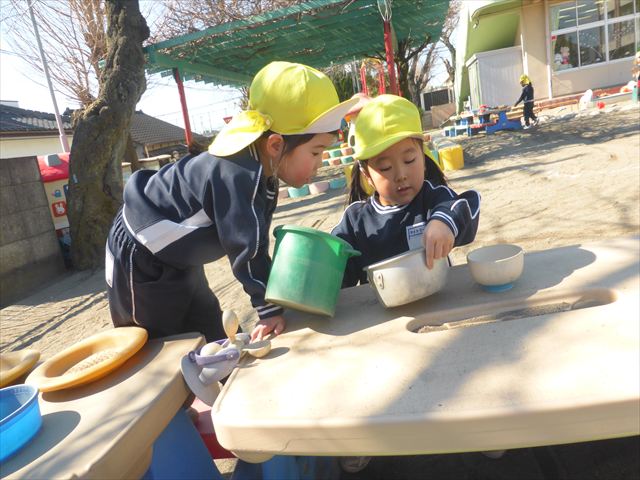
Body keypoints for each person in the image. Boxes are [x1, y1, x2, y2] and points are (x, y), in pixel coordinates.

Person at [105, 61, 359, 343]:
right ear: (276, 145)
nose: (319, 163)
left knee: (211, 332)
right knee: (160, 347)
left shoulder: (264, 170)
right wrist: (268, 309)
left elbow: (257, 242)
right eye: (315, 152)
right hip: (141, 253)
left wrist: (275, 293)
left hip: (180, 258)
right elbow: (245, 249)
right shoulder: (238, 173)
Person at [332, 94, 481, 288]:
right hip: (380, 306)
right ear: (367, 175)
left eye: (409, 160)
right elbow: (337, 270)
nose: (401, 175)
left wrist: (444, 223)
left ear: (423, 158)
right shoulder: (355, 222)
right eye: (385, 168)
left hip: (437, 298)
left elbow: (467, 206)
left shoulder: (433, 199)